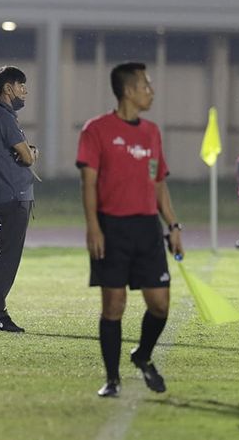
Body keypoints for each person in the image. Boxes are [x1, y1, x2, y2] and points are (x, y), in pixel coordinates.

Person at [76, 62, 184, 397]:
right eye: (146, 86)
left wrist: (173, 225)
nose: (151, 91)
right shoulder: (96, 129)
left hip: (147, 229)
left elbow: (158, 183)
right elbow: (89, 183)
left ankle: (142, 355)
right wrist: (93, 226)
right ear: (128, 91)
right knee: (114, 305)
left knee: (160, 305)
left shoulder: (152, 132)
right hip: (112, 228)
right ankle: (112, 379)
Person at [0, 66, 38, 333]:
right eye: (21, 85)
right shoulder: (3, 118)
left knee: (2, 255)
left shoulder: (1, 117)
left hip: (8, 196)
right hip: (14, 197)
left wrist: (27, 152)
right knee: (8, 257)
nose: (24, 90)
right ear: (7, 88)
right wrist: (30, 154)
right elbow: (26, 156)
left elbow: (23, 152)